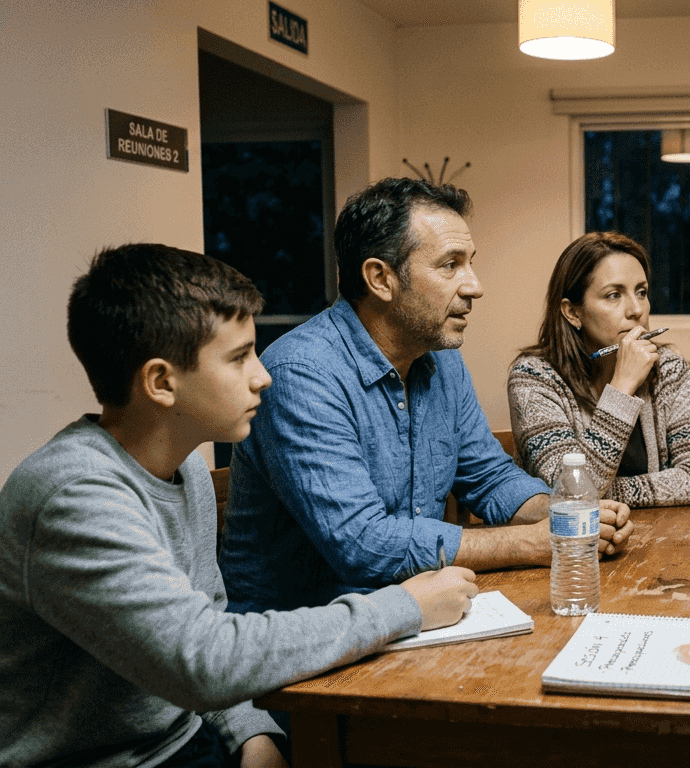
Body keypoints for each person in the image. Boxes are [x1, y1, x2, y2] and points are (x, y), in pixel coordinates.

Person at [0, 244, 478, 768]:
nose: (263, 376)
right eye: (238, 358)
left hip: (189, 743)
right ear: (161, 382)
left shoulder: (183, 468)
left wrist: (252, 735)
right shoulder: (74, 495)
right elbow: (205, 660)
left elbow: (208, 626)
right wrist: (406, 608)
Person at [220, 178, 633, 614]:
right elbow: (364, 544)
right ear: (380, 278)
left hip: (417, 615)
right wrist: (531, 542)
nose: (475, 286)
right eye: (451, 265)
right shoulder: (302, 374)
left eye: (470, 263)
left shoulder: (441, 360)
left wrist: (569, 512)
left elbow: (491, 478)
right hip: (307, 640)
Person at [507, 232, 690, 507]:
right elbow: (569, 490)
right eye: (614, 295)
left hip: (664, 536)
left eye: (641, 292)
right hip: (576, 543)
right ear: (572, 312)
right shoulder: (533, 377)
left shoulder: (668, 367)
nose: (636, 309)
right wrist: (622, 387)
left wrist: (604, 495)